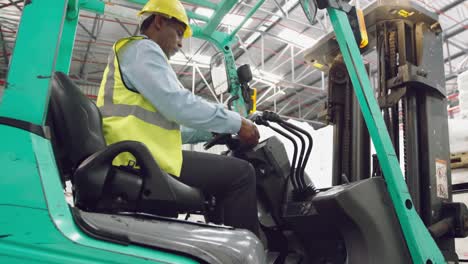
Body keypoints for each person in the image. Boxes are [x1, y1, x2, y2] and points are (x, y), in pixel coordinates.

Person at [96, 0, 260, 236]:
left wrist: (211, 130)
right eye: (179, 33)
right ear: (160, 21)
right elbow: (178, 104)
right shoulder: (143, 50)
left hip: (136, 156)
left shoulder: (134, 55)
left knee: (224, 175)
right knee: (242, 174)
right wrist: (237, 122)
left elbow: (171, 123)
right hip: (137, 161)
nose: (181, 44)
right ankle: (246, 254)